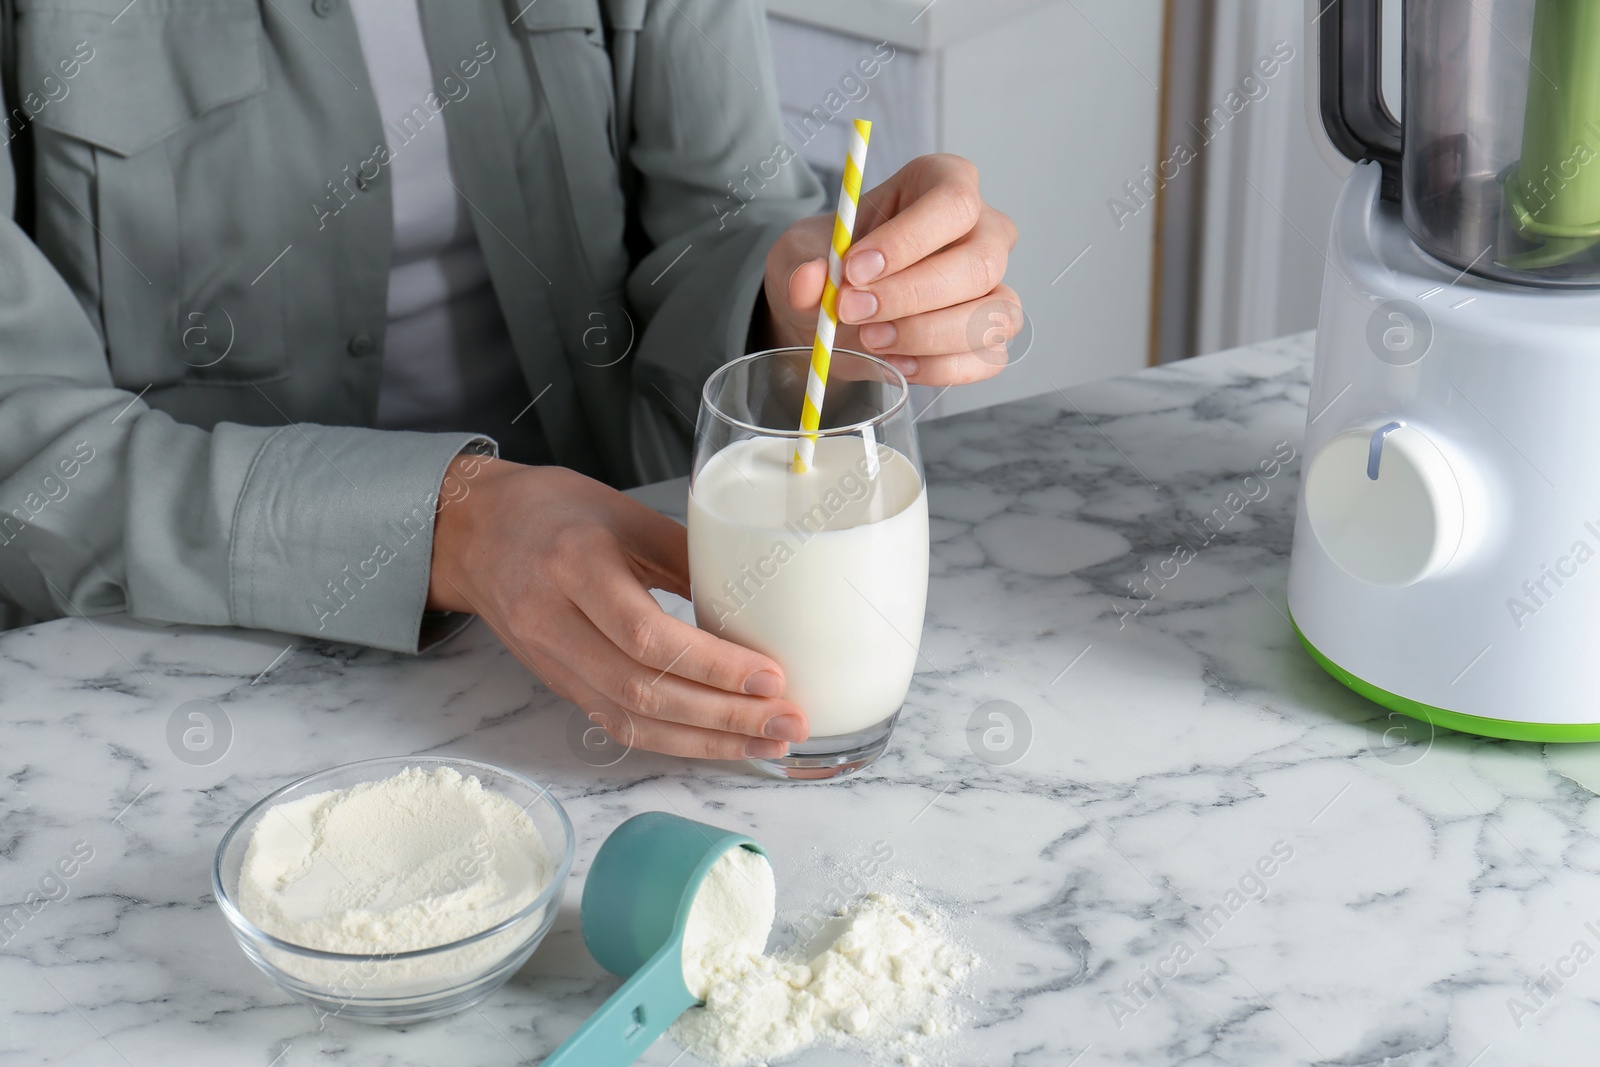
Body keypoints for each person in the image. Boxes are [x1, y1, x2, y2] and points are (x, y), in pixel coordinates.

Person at [0, 0, 1021, 760]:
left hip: (619, 645)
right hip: (158, 686)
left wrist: (792, 295)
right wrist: (454, 525)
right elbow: (24, 435)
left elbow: (721, 216)